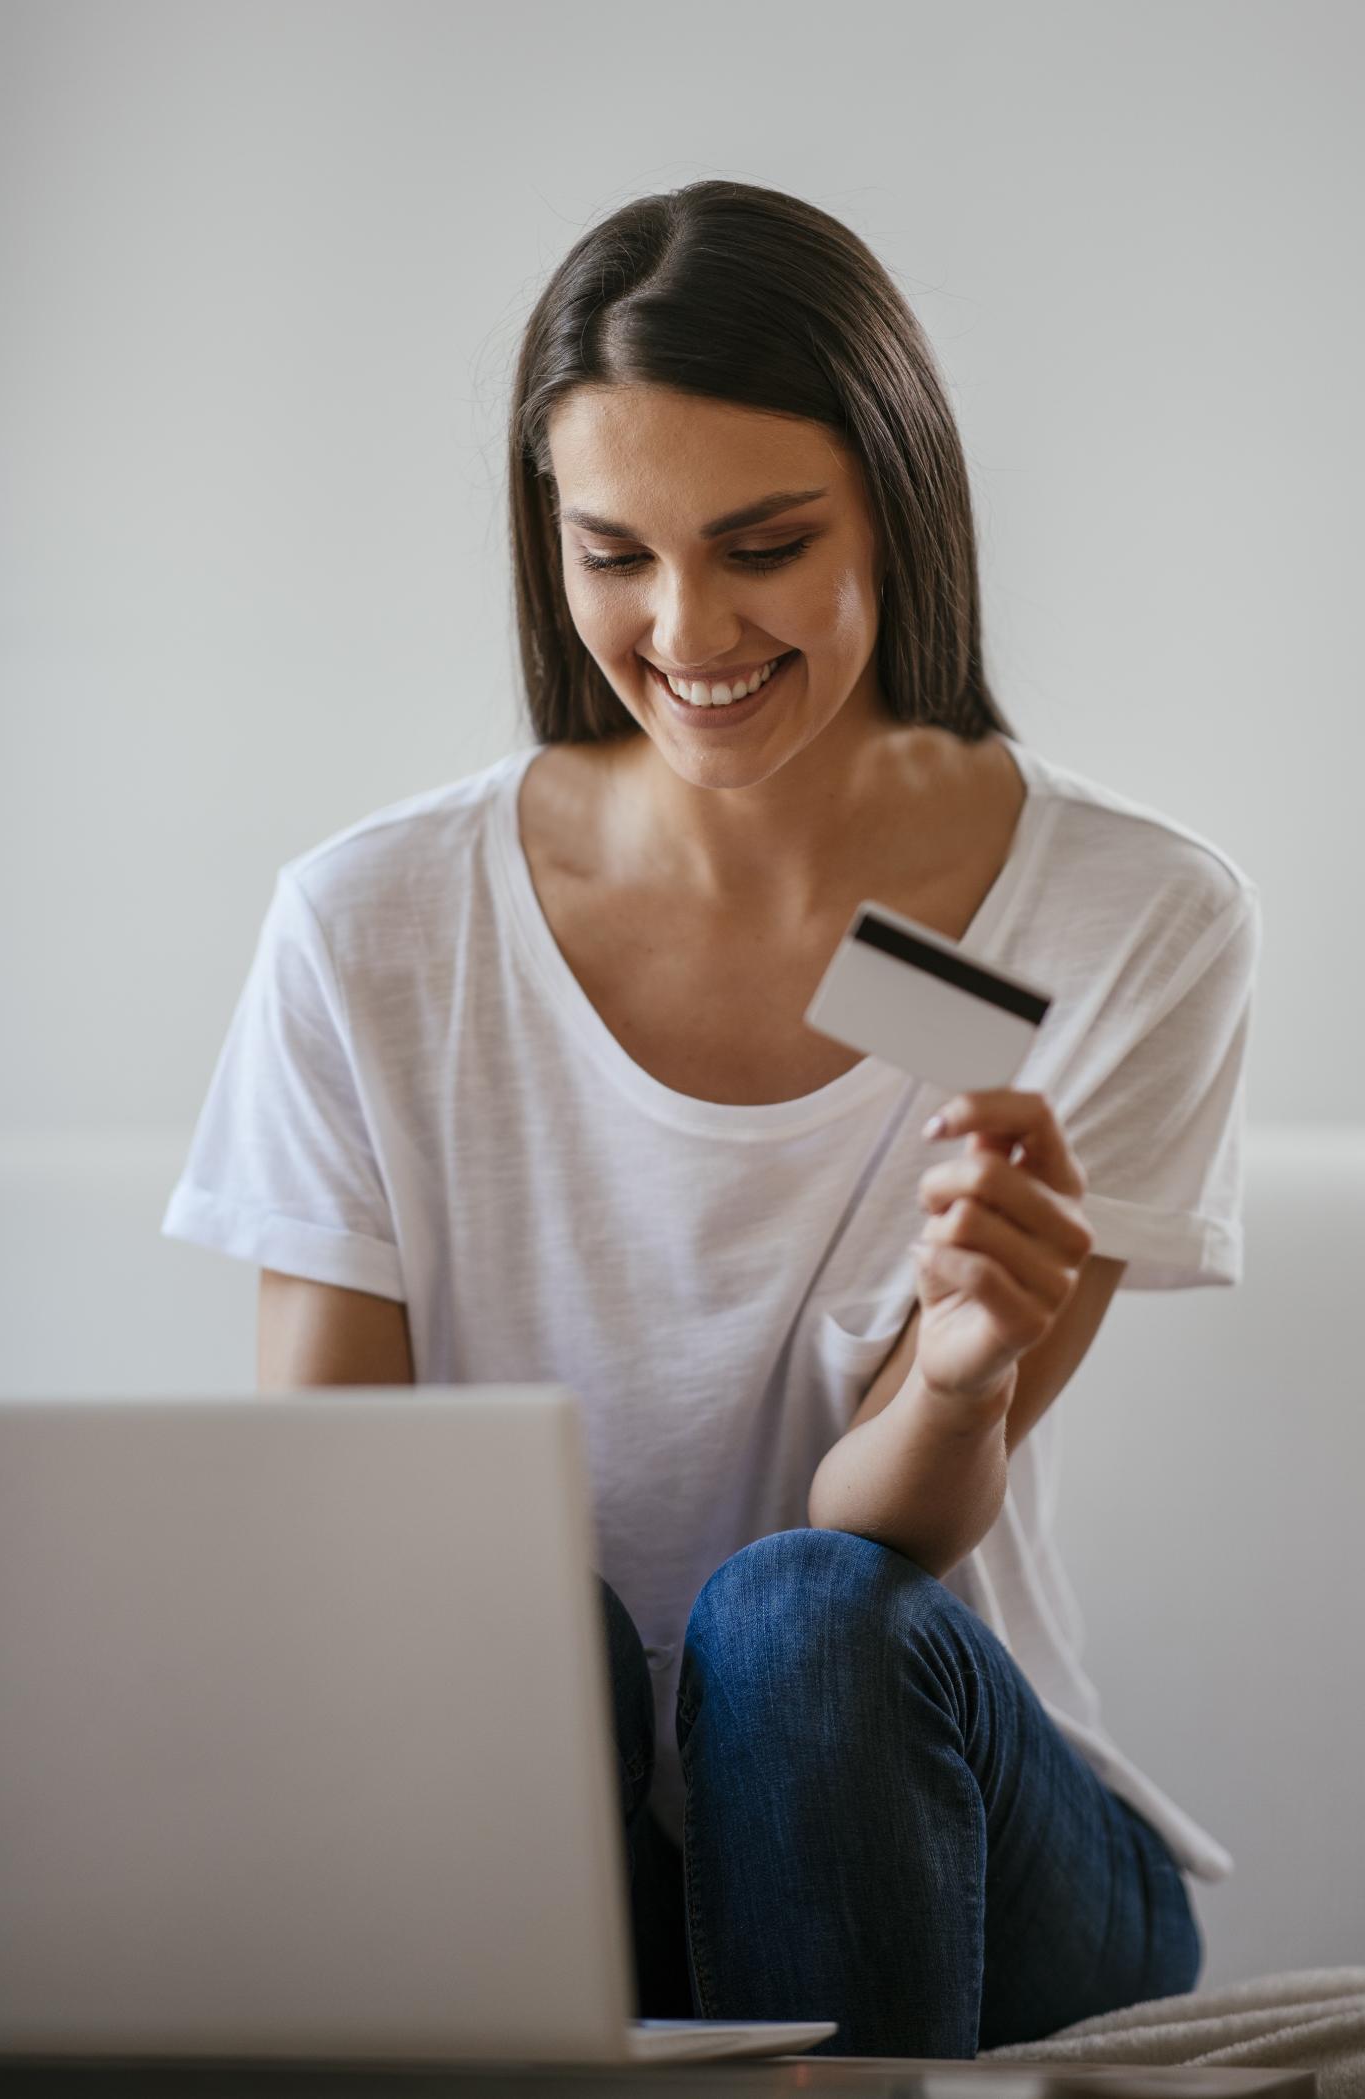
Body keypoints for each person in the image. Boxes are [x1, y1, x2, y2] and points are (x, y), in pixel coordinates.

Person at [161, 179, 1261, 2056]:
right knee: (516, 1628)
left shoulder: (1130, 919)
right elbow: (344, 1545)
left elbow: (877, 1535)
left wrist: (969, 1369)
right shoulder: (374, 926)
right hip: (550, 1833)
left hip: (956, 1818)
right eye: (615, 555)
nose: (686, 630)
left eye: (763, 546)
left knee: (802, 1621)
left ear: (900, 512)